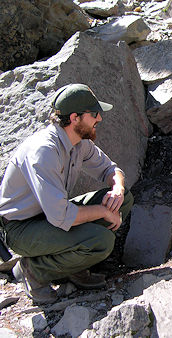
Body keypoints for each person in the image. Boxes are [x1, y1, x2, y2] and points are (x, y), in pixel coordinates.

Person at [0, 84, 134, 303]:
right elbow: (61, 215)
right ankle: (33, 270)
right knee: (100, 241)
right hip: (22, 227)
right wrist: (102, 211)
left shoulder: (78, 142)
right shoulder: (44, 151)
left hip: (50, 214)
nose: (99, 118)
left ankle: (73, 265)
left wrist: (117, 188)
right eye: (94, 114)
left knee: (124, 200)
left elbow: (110, 169)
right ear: (75, 118)